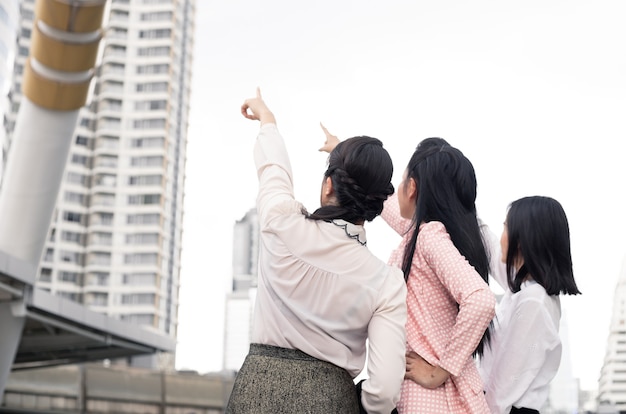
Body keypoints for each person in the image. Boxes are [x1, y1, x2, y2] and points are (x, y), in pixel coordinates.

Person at [225, 88, 407, 414]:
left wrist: (267, 120)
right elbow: (383, 390)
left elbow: (273, 171)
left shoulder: (281, 222)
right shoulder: (386, 283)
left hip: (254, 396)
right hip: (330, 402)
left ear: (328, 185)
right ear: (376, 206)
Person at [320, 131, 496, 413]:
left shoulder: (429, 238)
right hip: (441, 396)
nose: (395, 189)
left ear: (412, 187)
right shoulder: (421, 236)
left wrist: (439, 370)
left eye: (401, 181)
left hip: (431, 398)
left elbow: (481, 299)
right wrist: (344, 153)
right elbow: (389, 208)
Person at [478, 196, 581, 414]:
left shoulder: (533, 300)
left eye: (506, 228)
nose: (502, 238)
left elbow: (503, 388)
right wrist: (460, 202)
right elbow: (489, 249)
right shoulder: (527, 288)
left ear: (522, 240)